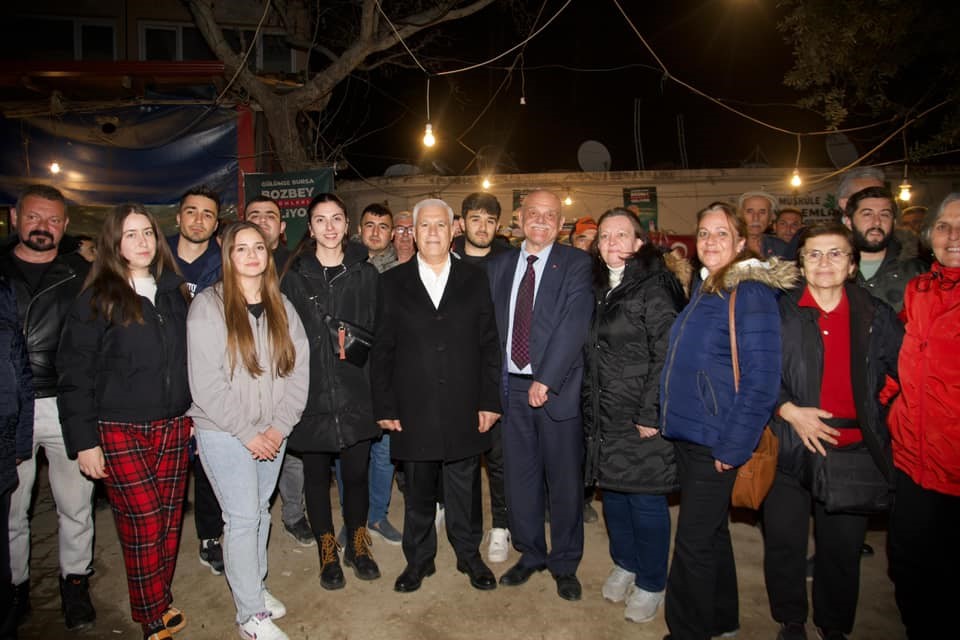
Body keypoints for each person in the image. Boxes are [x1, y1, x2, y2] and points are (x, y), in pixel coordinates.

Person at [659, 202, 796, 639]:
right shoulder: (707, 287)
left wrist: (734, 445)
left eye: (721, 233)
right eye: (703, 233)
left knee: (693, 544)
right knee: (713, 534)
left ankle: (687, 631)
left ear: (740, 243)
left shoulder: (748, 292)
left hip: (715, 438)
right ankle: (721, 621)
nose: (710, 241)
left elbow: (761, 380)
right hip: (692, 432)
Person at [57, 204, 193, 640]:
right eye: (131, 234)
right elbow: (74, 374)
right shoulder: (98, 298)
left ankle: (159, 598)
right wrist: (85, 441)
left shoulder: (175, 293)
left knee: (170, 522)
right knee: (145, 521)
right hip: (118, 429)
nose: (142, 242)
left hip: (174, 425)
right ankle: (151, 612)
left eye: (148, 233)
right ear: (114, 243)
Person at [762, 224, 902, 640]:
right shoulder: (778, 310)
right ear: (800, 262)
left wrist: (879, 411)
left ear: (852, 263)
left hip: (852, 449)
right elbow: (755, 371)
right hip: (789, 446)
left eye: (835, 254)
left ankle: (834, 624)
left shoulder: (876, 315)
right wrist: (788, 410)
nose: (824, 263)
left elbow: (906, 373)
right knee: (784, 543)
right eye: (814, 255)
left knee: (840, 550)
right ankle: (790, 619)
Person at [370, 198, 502, 593]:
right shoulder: (391, 282)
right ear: (412, 233)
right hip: (414, 408)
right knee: (419, 491)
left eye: (439, 226)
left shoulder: (475, 279)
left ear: (452, 230)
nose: (431, 233)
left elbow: (489, 344)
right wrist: (385, 404)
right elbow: (383, 350)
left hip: (465, 404)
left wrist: (489, 400)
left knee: (465, 488)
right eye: (423, 226)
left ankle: (469, 556)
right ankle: (419, 561)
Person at [187, 222, 309, 640]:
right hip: (223, 432)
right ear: (228, 255)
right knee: (241, 518)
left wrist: (279, 427)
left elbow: (298, 372)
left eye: (259, 247)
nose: (253, 255)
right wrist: (247, 433)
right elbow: (206, 384)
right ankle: (250, 618)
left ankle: (254, 588)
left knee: (259, 513)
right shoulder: (208, 306)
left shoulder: (282, 306)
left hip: (273, 432)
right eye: (242, 248)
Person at [487, 189, 594, 602]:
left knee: (564, 481)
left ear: (561, 224)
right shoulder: (498, 266)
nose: (542, 221)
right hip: (508, 388)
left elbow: (574, 324)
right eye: (534, 213)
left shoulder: (576, 264)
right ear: (519, 218)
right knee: (520, 478)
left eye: (551, 216)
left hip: (555, 389)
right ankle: (530, 553)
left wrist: (544, 380)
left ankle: (565, 563)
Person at [582, 208, 685, 624]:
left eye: (621, 235)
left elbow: (668, 352)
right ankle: (625, 562)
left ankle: (652, 580)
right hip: (604, 412)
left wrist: (652, 411)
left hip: (641, 413)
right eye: (604, 237)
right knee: (616, 494)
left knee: (645, 498)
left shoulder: (655, 284)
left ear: (639, 243)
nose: (611, 244)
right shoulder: (597, 284)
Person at [1, 185, 95, 631]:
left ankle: (75, 582)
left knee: (75, 504)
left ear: (65, 226)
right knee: (11, 508)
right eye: (35, 218)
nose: (43, 227)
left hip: (65, 403)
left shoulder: (79, 276)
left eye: (53, 220)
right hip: (9, 406)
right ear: (16, 218)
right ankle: (15, 587)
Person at [280, 194, 382, 590]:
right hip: (311, 395)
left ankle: (358, 541)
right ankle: (326, 548)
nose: (329, 227)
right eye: (320, 220)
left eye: (336, 218)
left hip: (357, 393)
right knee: (316, 476)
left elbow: (380, 334)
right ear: (310, 227)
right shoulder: (294, 276)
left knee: (356, 474)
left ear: (347, 224)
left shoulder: (366, 274)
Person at [887, 193, 960, 639]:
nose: (953, 236)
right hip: (911, 461)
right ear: (929, 235)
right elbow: (897, 365)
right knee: (910, 565)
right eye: (945, 227)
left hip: (955, 467)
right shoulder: (920, 291)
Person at [244, 196, 312, 547]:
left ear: (282, 228)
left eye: (269, 216)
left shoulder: (295, 266)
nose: (261, 221)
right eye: (253, 215)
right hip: (242, 383)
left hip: (283, 376)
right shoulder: (231, 268)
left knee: (290, 454)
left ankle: (294, 514)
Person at [166, 185, 226, 575]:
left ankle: (209, 536)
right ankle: (160, 544)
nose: (199, 220)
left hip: (211, 376)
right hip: (165, 378)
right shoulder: (154, 257)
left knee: (209, 464)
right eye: (192, 212)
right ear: (178, 217)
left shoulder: (226, 263)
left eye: (207, 214)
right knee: (169, 470)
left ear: (216, 223)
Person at [450, 192, 511, 563]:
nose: (483, 227)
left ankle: (501, 525)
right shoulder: (446, 259)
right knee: (463, 458)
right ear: (462, 223)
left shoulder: (511, 261)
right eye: (475, 219)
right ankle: (461, 524)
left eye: (490, 221)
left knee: (501, 457)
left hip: (499, 375)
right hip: (456, 375)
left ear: (498, 226)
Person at [353, 202, 401, 545]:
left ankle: (377, 516)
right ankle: (352, 517)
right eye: (369, 225)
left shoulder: (402, 272)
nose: (375, 232)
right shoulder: (344, 267)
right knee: (351, 455)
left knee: (384, 453)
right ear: (359, 229)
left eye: (382, 226)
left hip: (390, 377)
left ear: (392, 233)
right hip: (351, 376)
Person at [0, 275, 33, 638]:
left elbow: (16, 361)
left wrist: (20, 439)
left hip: (7, 430)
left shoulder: (3, 290)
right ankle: (17, 590)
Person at [841, 186, 926, 313]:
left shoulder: (919, 273)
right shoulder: (830, 268)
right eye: (867, 214)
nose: (877, 222)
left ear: (894, 222)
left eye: (885, 215)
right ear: (848, 222)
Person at [739, 191, 791, 259]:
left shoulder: (781, 248)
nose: (756, 218)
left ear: (770, 218)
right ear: (740, 216)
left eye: (762, 212)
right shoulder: (728, 245)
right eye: (750, 211)